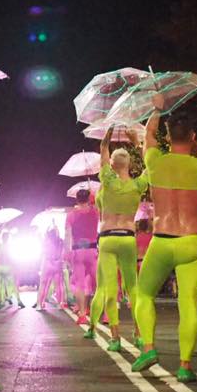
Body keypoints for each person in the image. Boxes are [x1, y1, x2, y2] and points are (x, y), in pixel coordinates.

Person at [132, 100, 197, 382]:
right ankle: (185, 365)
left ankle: (149, 347)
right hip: (192, 241)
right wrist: (192, 141)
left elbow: (148, 137)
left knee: (143, 294)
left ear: (167, 137)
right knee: (188, 305)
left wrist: (155, 109)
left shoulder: (155, 162)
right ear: (192, 136)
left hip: (163, 240)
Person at [85, 126, 148, 350]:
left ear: (112, 165)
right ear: (129, 165)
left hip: (108, 238)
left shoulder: (108, 183)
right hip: (128, 238)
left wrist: (107, 136)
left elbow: (103, 150)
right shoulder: (138, 185)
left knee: (110, 290)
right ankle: (139, 333)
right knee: (134, 288)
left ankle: (114, 336)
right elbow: (150, 166)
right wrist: (138, 144)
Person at [65, 189, 99, 324]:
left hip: (78, 251)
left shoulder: (71, 215)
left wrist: (67, 252)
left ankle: (82, 314)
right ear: (89, 198)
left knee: (79, 284)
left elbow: (68, 235)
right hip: (92, 250)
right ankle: (105, 314)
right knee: (98, 283)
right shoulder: (95, 212)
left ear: (76, 199)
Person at [37, 227, 65, 309]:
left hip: (47, 263)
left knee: (43, 284)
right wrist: (57, 228)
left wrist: (48, 229)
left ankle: (40, 304)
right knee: (59, 285)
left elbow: (44, 237)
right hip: (57, 263)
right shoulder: (60, 241)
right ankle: (60, 303)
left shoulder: (46, 241)